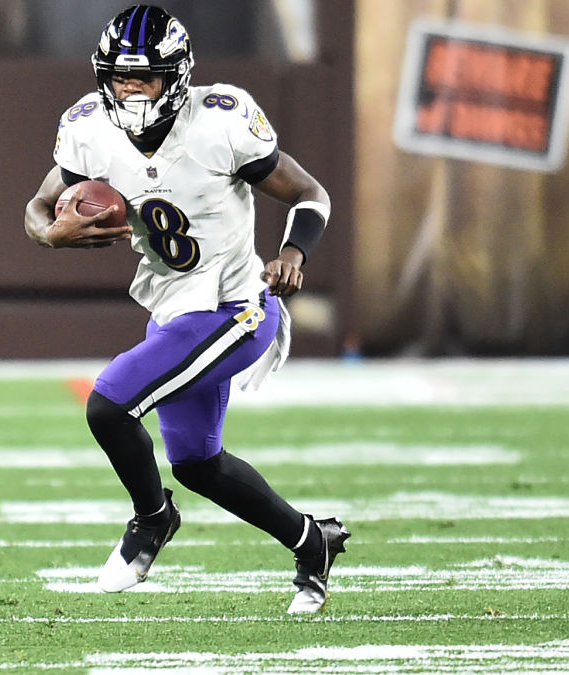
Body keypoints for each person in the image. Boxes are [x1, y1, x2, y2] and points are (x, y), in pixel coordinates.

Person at [23, 5, 348, 615]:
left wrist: (293, 252)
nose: (129, 88)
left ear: (175, 77)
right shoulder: (89, 129)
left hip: (237, 305)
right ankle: (313, 542)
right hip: (175, 311)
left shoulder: (219, 122)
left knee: (109, 404)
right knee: (198, 463)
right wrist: (51, 235)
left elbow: (311, 193)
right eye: (119, 76)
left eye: (142, 76)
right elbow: (37, 208)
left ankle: (152, 519)